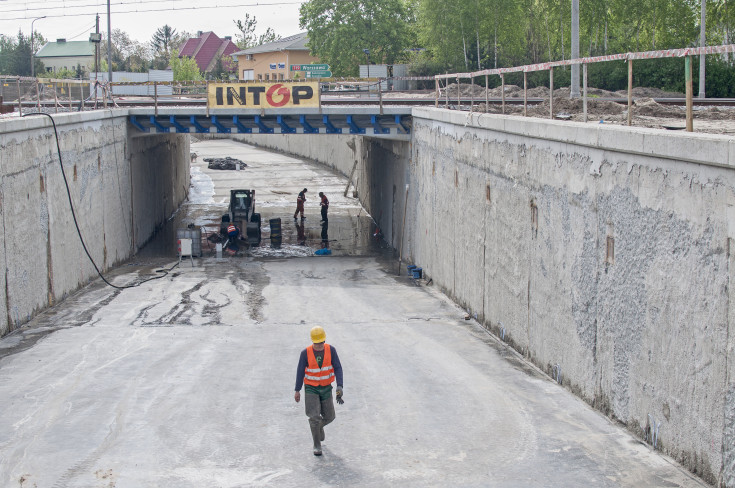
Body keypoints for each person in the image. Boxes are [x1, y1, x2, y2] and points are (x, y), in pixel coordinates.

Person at [294, 326, 343, 456]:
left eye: (321, 342)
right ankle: (317, 445)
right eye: (317, 343)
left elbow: (338, 367)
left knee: (330, 416)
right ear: (313, 342)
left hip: (326, 387)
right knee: (314, 417)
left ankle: (319, 427)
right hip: (311, 388)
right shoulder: (305, 353)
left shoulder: (331, 350)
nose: (319, 345)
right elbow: (300, 372)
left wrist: (340, 386)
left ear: (324, 340)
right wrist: (297, 390)